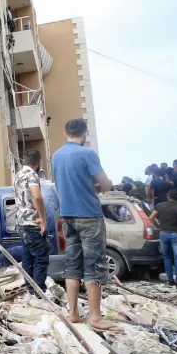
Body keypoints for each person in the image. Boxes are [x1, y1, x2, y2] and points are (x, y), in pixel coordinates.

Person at [52, 118, 115, 330]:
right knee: (94, 265)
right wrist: (94, 187)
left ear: (65, 133)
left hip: (67, 216)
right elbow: (106, 184)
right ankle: (95, 317)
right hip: (88, 214)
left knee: (72, 264)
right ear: (85, 134)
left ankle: (73, 313)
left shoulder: (56, 155)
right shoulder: (88, 154)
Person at [13, 149, 49, 296]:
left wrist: (28, 205)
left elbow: (19, 195)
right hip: (32, 223)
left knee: (28, 258)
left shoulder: (18, 175)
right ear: (38, 162)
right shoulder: (32, 175)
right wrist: (42, 219)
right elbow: (37, 197)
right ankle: (39, 293)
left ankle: (30, 291)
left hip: (21, 221)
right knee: (41, 257)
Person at [148, 190, 177, 289]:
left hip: (163, 234)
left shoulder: (159, 206)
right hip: (176, 234)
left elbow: (151, 217)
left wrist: (158, 226)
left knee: (167, 257)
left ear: (168, 196)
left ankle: (170, 280)